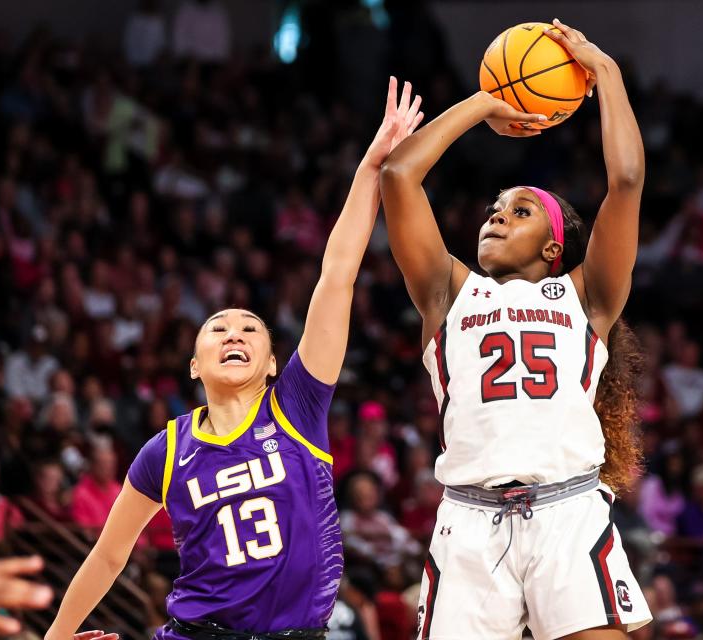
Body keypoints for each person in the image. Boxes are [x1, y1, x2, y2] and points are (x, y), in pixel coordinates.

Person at [45, 78, 423, 640]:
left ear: (273, 363)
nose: (233, 334)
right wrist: (54, 636)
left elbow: (337, 275)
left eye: (250, 329)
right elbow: (107, 556)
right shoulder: (165, 451)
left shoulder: (297, 406)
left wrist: (370, 166)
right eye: (217, 328)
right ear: (194, 365)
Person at [380, 20, 652, 640]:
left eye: (520, 211)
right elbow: (398, 177)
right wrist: (486, 102)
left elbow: (628, 180)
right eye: (493, 210)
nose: (498, 218)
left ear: (555, 245)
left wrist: (603, 71)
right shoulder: (449, 293)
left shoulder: (587, 297)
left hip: (567, 510)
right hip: (470, 523)